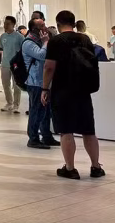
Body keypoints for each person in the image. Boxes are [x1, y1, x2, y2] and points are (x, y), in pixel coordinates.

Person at [42, 10, 103, 180]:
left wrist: (45, 88)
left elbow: (49, 67)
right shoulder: (85, 39)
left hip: (62, 90)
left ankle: (70, 168)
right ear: (74, 23)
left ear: (58, 24)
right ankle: (96, 166)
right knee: (88, 130)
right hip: (83, 90)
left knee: (66, 130)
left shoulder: (55, 41)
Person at [23, 18, 57, 149]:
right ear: (34, 29)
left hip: (44, 81)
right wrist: (46, 42)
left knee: (46, 111)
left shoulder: (40, 40)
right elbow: (42, 55)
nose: (45, 28)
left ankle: (47, 136)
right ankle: (33, 139)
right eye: (42, 26)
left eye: (44, 24)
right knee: (36, 111)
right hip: (35, 82)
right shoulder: (28, 43)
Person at [0, 16, 24, 114]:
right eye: (5, 23)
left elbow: (23, 50)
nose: (5, 25)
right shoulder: (3, 36)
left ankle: (16, 105)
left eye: (7, 23)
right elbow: (1, 50)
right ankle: (9, 103)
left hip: (16, 64)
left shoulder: (19, 37)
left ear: (13, 24)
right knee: (6, 84)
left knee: (17, 85)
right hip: (5, 64)